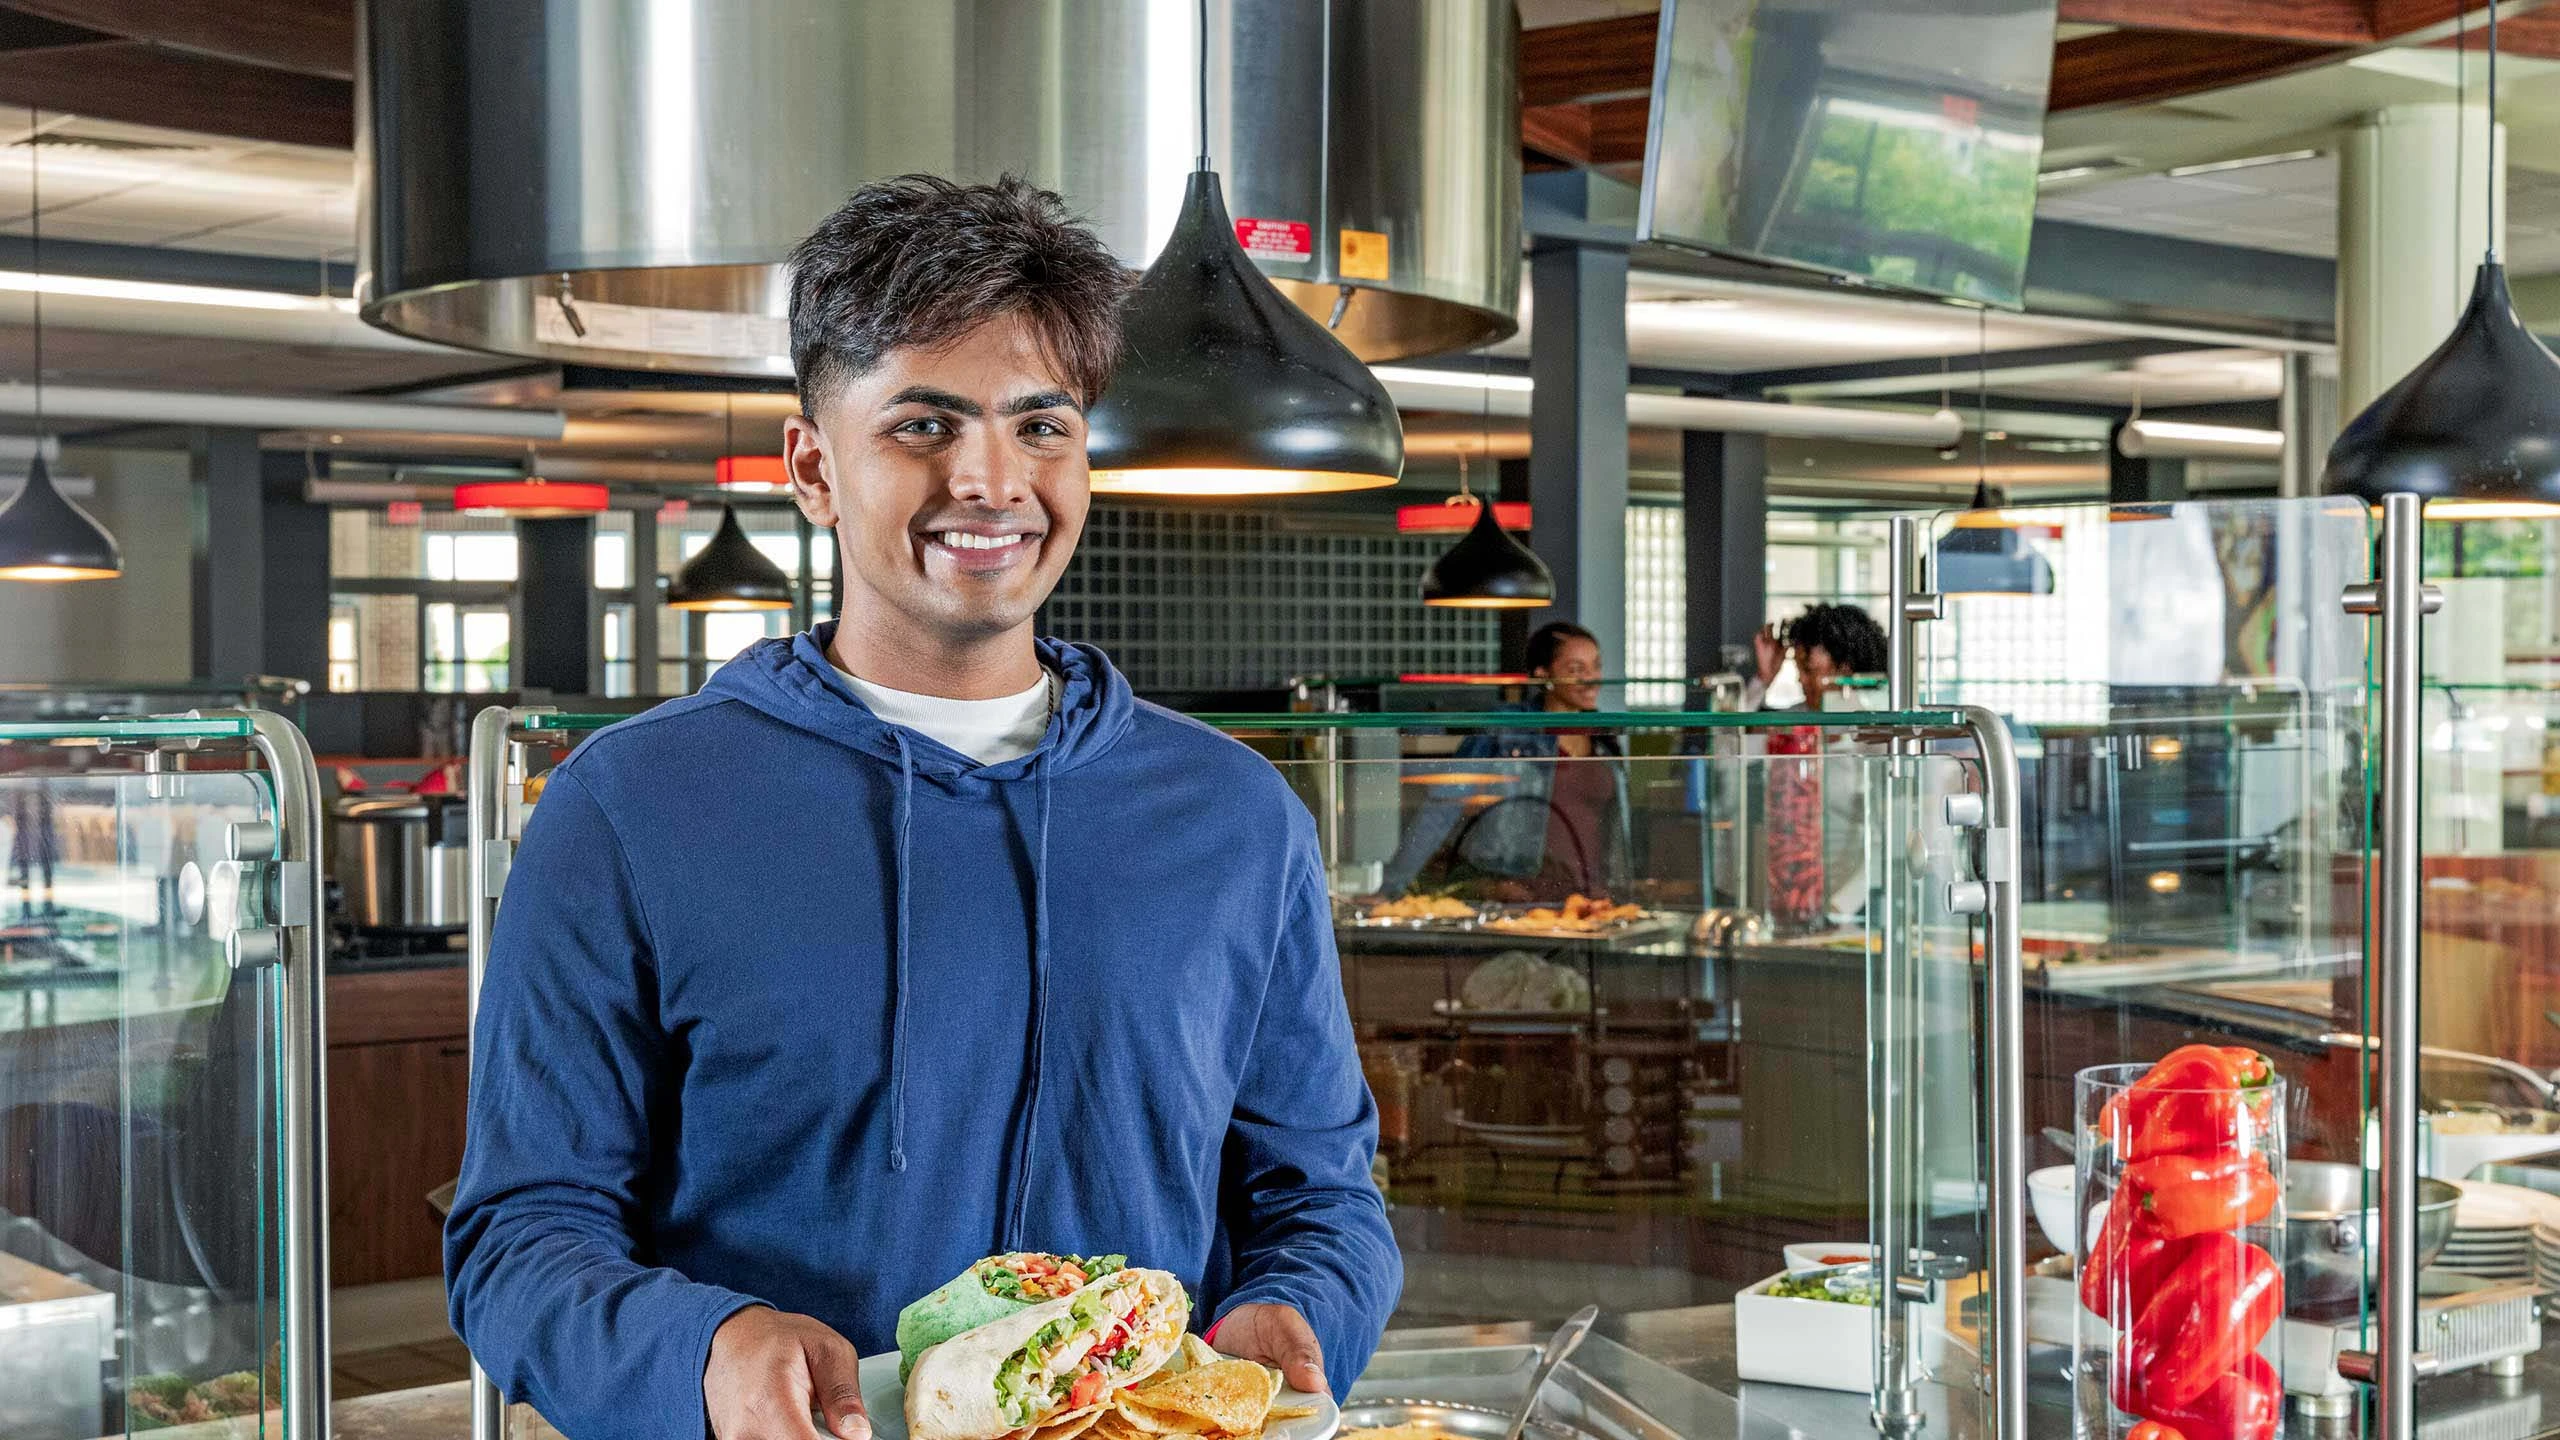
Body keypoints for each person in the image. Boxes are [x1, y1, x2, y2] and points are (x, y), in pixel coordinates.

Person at [445, 176, 1398, 1440]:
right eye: (922, 426)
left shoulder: (1236, 816)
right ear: (812, 467)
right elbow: (517, 1236)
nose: (991, 481)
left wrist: (1300, 1310)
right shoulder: (628, 808)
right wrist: (704, 1352)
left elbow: (1321, 1197)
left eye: (1041, 426)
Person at [1378, 621, 1630, 901]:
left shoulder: (1605, 737)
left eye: (1595, 666)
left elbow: (1618, 828)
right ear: (1542, 673)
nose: (1591, 678)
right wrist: (1392, 887)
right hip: (1522, 894)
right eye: (1576, 670)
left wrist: (1625, 889)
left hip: (1591, 896)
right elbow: (1443, 806)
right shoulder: (1507, 727)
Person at [1744, 601, 1890, 712]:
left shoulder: (1875, 732)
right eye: (1798, 668)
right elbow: (1736, 738)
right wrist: (1763, 679)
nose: (1800, 679)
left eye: (1808, 669)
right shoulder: (1794, 723)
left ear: (1846, 670)